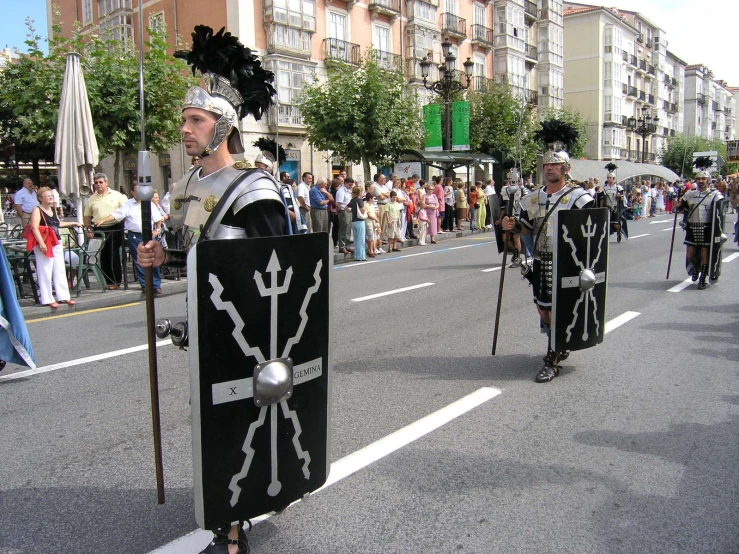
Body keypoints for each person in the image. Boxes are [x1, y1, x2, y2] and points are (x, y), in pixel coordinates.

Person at [136, 25, 295, 554]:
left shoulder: (256, 189)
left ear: (222, 126)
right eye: (184, 118)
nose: (184, 128)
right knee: (211, 424)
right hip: (206, 329)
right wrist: (158, 255)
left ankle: (233, 528)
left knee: (238, 425)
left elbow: (285, 274)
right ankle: (228, 507)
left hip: (248, 337)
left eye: (195, 119)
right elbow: (186, 247)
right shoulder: (186, 188)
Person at [501, 130, 595, 383]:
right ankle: (559, 343)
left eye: (555, 164)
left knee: (560, 310)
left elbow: (593, 234)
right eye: (547, 164)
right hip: (542, 260)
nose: (550, 168)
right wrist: (513, 227)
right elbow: (527, 229)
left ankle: (552, 358)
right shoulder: (533, 198)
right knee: (543, 310)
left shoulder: (580, 198)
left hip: (569, 262)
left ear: (566, 168)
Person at [94, 183, 164, 294]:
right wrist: (103, 221)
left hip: (149, 235)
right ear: (132, 193)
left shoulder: (149, 204)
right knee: (139, 260)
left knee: (153, 259)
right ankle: (145, 285)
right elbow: (116, 215)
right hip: (135, 235)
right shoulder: (128, 204)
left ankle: (155, 285)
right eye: (137, 191)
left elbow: (158, 218)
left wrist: (157, 230)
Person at [28, 187, 80, 308]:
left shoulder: (53, 209)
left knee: (59, 269)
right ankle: (47, 298)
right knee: (45, 270)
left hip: (56, 241)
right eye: (48, 196)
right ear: (40, 199)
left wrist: (73, 223)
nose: (51, 197)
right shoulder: (37, 210)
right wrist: (41, 243)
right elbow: (34, 227)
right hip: (45, 242)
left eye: (51, 196)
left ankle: (63, 296)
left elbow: (58, 224)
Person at [676, 171, 723, 290]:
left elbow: (719, 215)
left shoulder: (715, 195)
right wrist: (678, 205)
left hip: (707, 228)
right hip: (692, 227)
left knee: (704, 253)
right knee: (690, 254)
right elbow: (683, 209)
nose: (701, 181)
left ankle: (703, 278)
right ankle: (695, 269)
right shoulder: (689, 195)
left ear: (708, 180)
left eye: (703, 178)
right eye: (698, 179)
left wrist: (718, 233)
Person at [83, 173, 127, 290]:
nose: (98, 185)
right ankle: (108, 281)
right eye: (96, 183)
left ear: (106, 183)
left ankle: (116, 281)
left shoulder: (117, 195)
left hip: (114, 227)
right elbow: (87, 216)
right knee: (103, 257)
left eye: (101, 182)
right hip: (99, 229)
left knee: (113, 254)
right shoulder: (91, 199)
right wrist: (88, 229)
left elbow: (126, 211)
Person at [599, 172, 626, 242]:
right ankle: (606, 236)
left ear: (613, 179)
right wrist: (601, 208)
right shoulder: (604, 188)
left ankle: (619, 232)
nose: (609, 179)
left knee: (615, 224)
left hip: (616, 207)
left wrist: (619, 196)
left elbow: (622, 199)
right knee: (606, 223)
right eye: (608, 178)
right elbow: (602, 199)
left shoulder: (618, 188)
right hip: (607, 207)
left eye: (610, 178)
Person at [347, 185, 366, 261]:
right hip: (360, 221)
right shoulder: (360, 200)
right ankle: (361, 256)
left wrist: (352, 211)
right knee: (361, 240)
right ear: (360, 192)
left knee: (356, 239)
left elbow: (346, 208)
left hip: (354, 221)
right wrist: (365, 208)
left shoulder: (352, 200)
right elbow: (362, 210)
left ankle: (356, 256)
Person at [335, 178, 354, 254]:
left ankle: (347, 245)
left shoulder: (348, 191)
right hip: (344, 211)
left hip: (349, 211)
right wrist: (339, 211)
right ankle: (342, 247)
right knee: (343, 230)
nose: (350, 186)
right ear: (345, 183)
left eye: (351, 185)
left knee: (348, 229)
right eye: (349, 185)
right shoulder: (341, 191)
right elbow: (338, 204)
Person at [364, 190, 379, 257]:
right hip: (368, 222)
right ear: (370, 199)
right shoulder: (366, 205)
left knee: (373, 236)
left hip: (372, 222)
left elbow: (374, 213)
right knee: (370, 237)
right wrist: (376, 219)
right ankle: (370, 250)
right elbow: (369, 215)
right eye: (373, 198)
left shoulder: (372, 205)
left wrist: (376, 221)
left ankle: (372, 249)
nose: (373, 200)